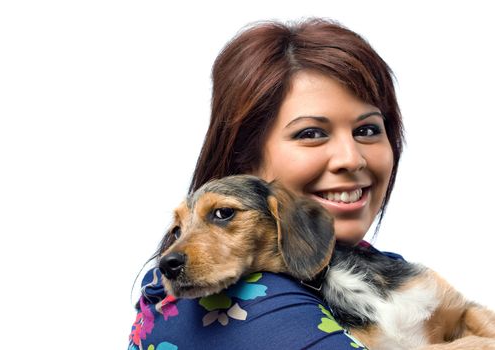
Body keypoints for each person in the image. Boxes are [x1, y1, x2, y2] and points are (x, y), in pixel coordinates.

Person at [129, 18, 404, 349]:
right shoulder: (232, 304)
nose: (352, 158)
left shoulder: (372, 269)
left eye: (368, 130)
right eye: (311, 134)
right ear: (244, 165)